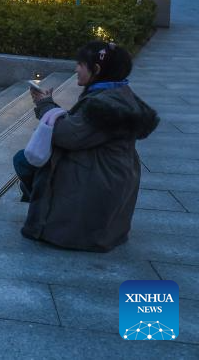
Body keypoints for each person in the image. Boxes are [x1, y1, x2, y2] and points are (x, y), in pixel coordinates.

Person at [17, 41, 159, 252]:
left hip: (98, 177)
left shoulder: (106, 105)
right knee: (29, 159)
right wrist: (50, 106)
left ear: (97, 69)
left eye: (80, 64)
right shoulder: (117, 92)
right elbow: (80, 129)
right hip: (109, 171)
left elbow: (68, 136)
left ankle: (51, 219)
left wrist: (45, 105)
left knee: (26, 160)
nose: (76, 69)